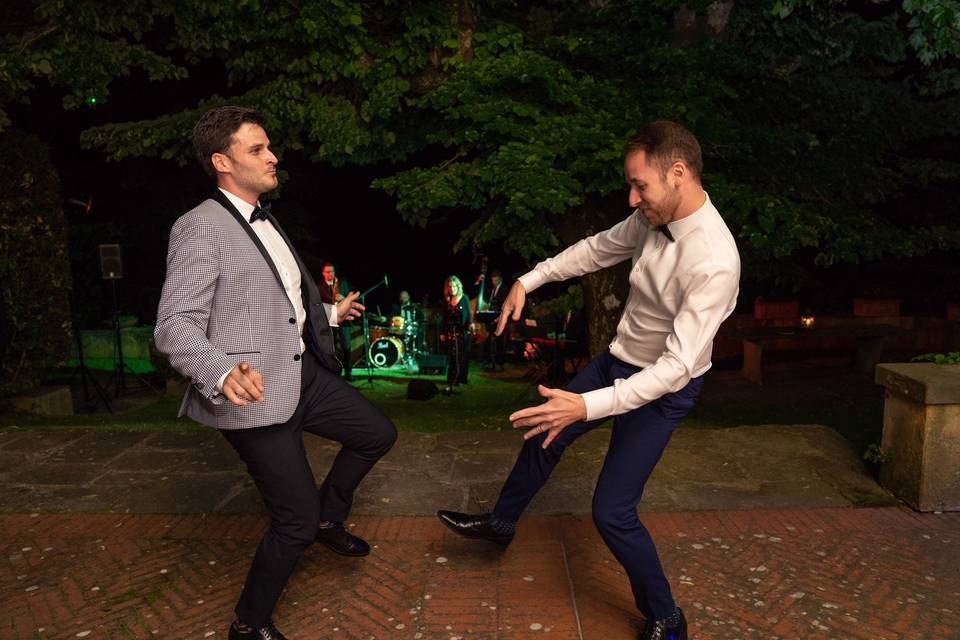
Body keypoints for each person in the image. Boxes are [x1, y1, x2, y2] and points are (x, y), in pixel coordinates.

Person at [437, 120, 740, 640]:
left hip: (664, 389)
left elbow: (674, 368)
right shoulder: (650, 219)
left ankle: (666, 615)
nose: (631, 197)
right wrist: (527, 280)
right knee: (543, 431)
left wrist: (585, 406)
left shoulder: (714, 261)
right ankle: (501, 525)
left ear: (678, 173)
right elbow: (595, 250)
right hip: (617, 362)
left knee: (612, 511)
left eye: (640, 184)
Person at [154, 106, 397, 640]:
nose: (273, 157)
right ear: (222, 161)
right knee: (294, 522)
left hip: (303, 374)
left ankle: (329, 520)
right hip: (254, 394)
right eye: (258, 149)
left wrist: (331, 314)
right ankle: (250, 622)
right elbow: (173, 324)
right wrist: (217, 370)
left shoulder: (264, 215)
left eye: (270, 147)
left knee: (377, 434)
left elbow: (280, 299)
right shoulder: (199, 226)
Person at [318, 261, 355, 381]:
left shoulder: (342, 284)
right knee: (333, 348)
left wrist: (343, 298)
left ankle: (349, 372)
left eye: (332, 271)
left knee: (347, 347)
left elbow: (351, 300)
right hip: (329, 322)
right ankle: (335, 372)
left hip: (345, 321)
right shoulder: (319, 287)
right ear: (323, 273)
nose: (330, 274)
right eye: (328, 272)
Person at [439, 275, 472, 393]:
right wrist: (442, 332)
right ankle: (451, 379)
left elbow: (468, 315)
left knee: (462, 356)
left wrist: (470, 326)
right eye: (449, 287)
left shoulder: (464, 298)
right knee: (452, 356)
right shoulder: (447, 301)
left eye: (453, 286)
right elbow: (443, 319)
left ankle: (461, 379)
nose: (452, 288)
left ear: (458, 286)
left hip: (462, 332)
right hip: (450, 333)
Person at [477, 269, 509, 369]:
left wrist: (497, 318)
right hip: (492, 318)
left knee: (500, 340)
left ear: (500, 280)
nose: (494, 283)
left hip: (500, 318)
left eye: (495, 281)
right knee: (488, 339)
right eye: (492, 281)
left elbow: (504, 306)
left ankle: (500, 362)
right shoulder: (492, 289)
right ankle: (488, 358)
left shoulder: (504, 289)